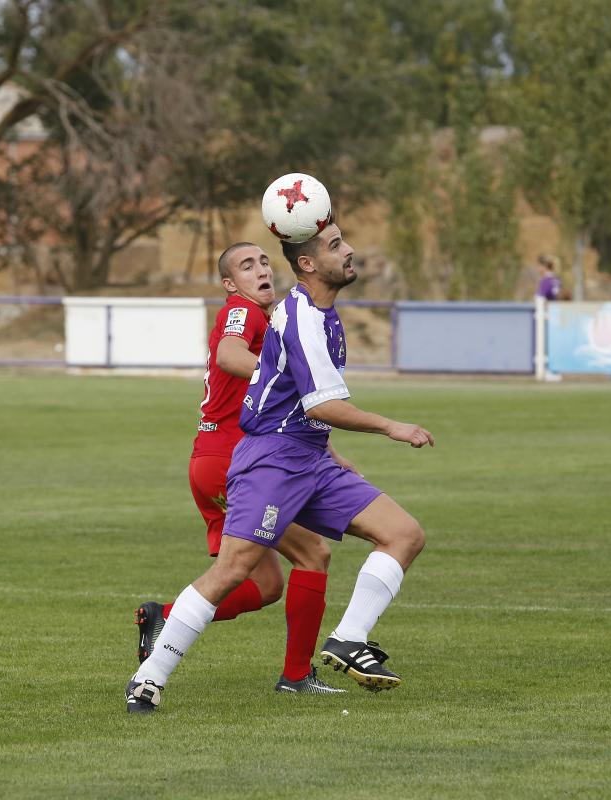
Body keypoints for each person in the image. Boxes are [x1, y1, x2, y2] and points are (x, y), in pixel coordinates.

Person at [126, 222, 434, 714]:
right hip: (268, 460)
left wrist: (329, 451)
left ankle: (347, 639)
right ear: (309, 264)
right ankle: (149, 678)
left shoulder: (314, 315)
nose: (350, 250)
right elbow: (313, 400)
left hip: (308, 456)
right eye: (337, 245)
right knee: (236, 570)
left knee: (403, 534)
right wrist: (389, 425)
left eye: (263, 261)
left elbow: (301, 404)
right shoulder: (281, 316)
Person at [134, 241, 347, 695]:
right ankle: (295, 678)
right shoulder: (242, 310)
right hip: (234, 459)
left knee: (267, 585)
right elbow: (230, 355)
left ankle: (165, 616)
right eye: (246, 266)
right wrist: (281, 377)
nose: (261, 270)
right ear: (231, 284)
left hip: (214, 461)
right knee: (314, 554)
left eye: (264, 261)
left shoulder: (269, 318)